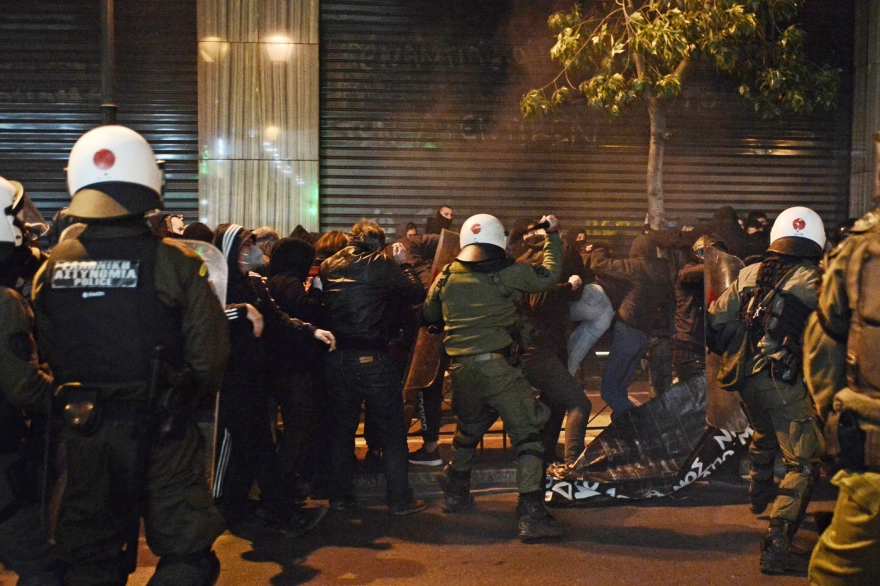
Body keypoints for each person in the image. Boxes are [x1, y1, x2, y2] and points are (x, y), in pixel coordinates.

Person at [31, 125, 228, 585]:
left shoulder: (52, 265)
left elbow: (49, 347)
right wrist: (186, 399)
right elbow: (209, 358)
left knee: (90, 558)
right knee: (188, 552)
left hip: (86, 429)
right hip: (162, 428)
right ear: (150, 181)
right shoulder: (177, 263)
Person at [424, 213, 569, 542]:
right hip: (498, 368)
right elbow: (549, 275)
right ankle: (532, 515)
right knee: (529, 435)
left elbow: (429, 313)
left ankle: (456, 493)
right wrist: (553, 237)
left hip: (460, 370)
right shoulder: (509, 272)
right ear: (497, 241)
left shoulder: (447, 274)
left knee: (468, 428)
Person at [707, 206, 825, 575]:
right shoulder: (815, 280)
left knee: (764, 431)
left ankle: (759, 496)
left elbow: (715, 320)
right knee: (803, 463)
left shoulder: (749, 273)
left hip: (745, 377)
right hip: (781, 380)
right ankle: (777, 546)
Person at [212, 224, 334, 533]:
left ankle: (255, 511)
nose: (252, 251)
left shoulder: (255, 283)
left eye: (252, 244)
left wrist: (310, 331)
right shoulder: (214, 283)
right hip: (229, 381)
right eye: (245, 245)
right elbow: (204, 315)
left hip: (255, 378)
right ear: (229, 250)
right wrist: (242, 311)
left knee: (257, 447)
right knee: (236, 449)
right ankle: (227, 512)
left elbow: (277, 318)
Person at [320, 220, 428, 515]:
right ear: (378, 244)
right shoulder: (381, 263)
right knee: (392, 432)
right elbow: (415, 293)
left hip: (337, 358)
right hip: (373, 357)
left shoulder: (329, 265)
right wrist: (404, 264)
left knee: (342, 432)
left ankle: (340, 498)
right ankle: (399, 500)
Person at [803, 199, 880, 584]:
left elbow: (823, 351)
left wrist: (837, 426)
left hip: (873, 466)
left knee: (836, 575)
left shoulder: (862, 247)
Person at [0, 176, 64, 585]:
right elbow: (23, 388)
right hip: (4, 457)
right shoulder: (5, 303)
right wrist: (69, 395)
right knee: (44, 567)